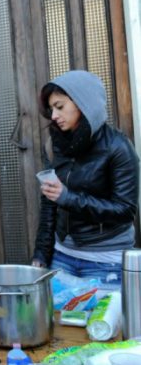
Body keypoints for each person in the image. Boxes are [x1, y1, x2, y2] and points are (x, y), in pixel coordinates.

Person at [32, 70, 139, 289]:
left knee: (101, 324)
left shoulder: (118, 147)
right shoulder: (55, 146)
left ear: (83, 104)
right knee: (57, 322)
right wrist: (41, 255)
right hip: (62, 256)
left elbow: (125, 210)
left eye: (60, 107)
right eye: (51, 109)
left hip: (105, 260)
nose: (53, 116)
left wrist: (68, 198)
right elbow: (49, 204)